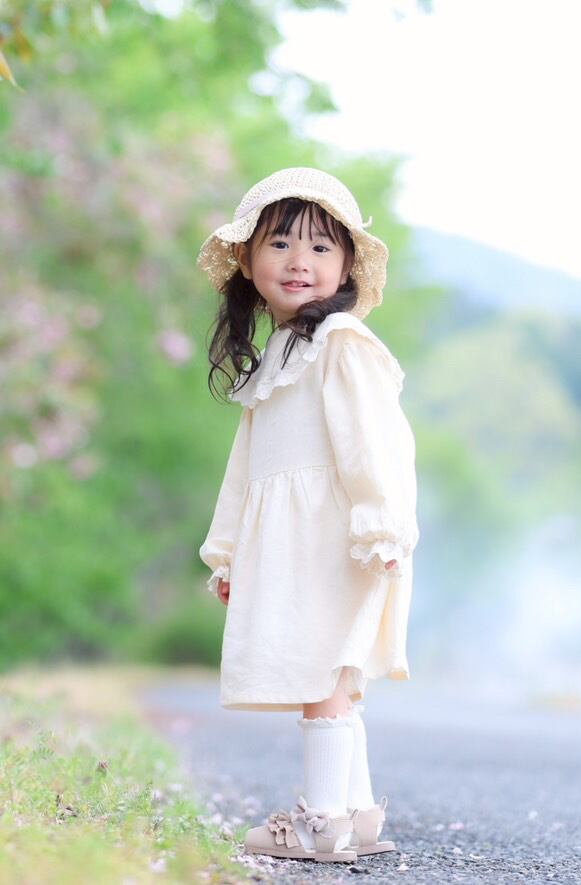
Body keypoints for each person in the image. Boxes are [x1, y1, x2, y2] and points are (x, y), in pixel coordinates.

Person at [197, 167, 419, 863]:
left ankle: (321, 820)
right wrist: (229, 552)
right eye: (281, 243)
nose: (300, 261)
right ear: (247, 261)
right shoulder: (280, 355)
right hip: (292, 540)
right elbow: (247, 471)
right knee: (334, 673)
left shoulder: (340, 341)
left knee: (325, 671)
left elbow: (372, 441)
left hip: (339, 537)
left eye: (321, 247)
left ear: (347, 266)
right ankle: (355, 814)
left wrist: (380, 526)